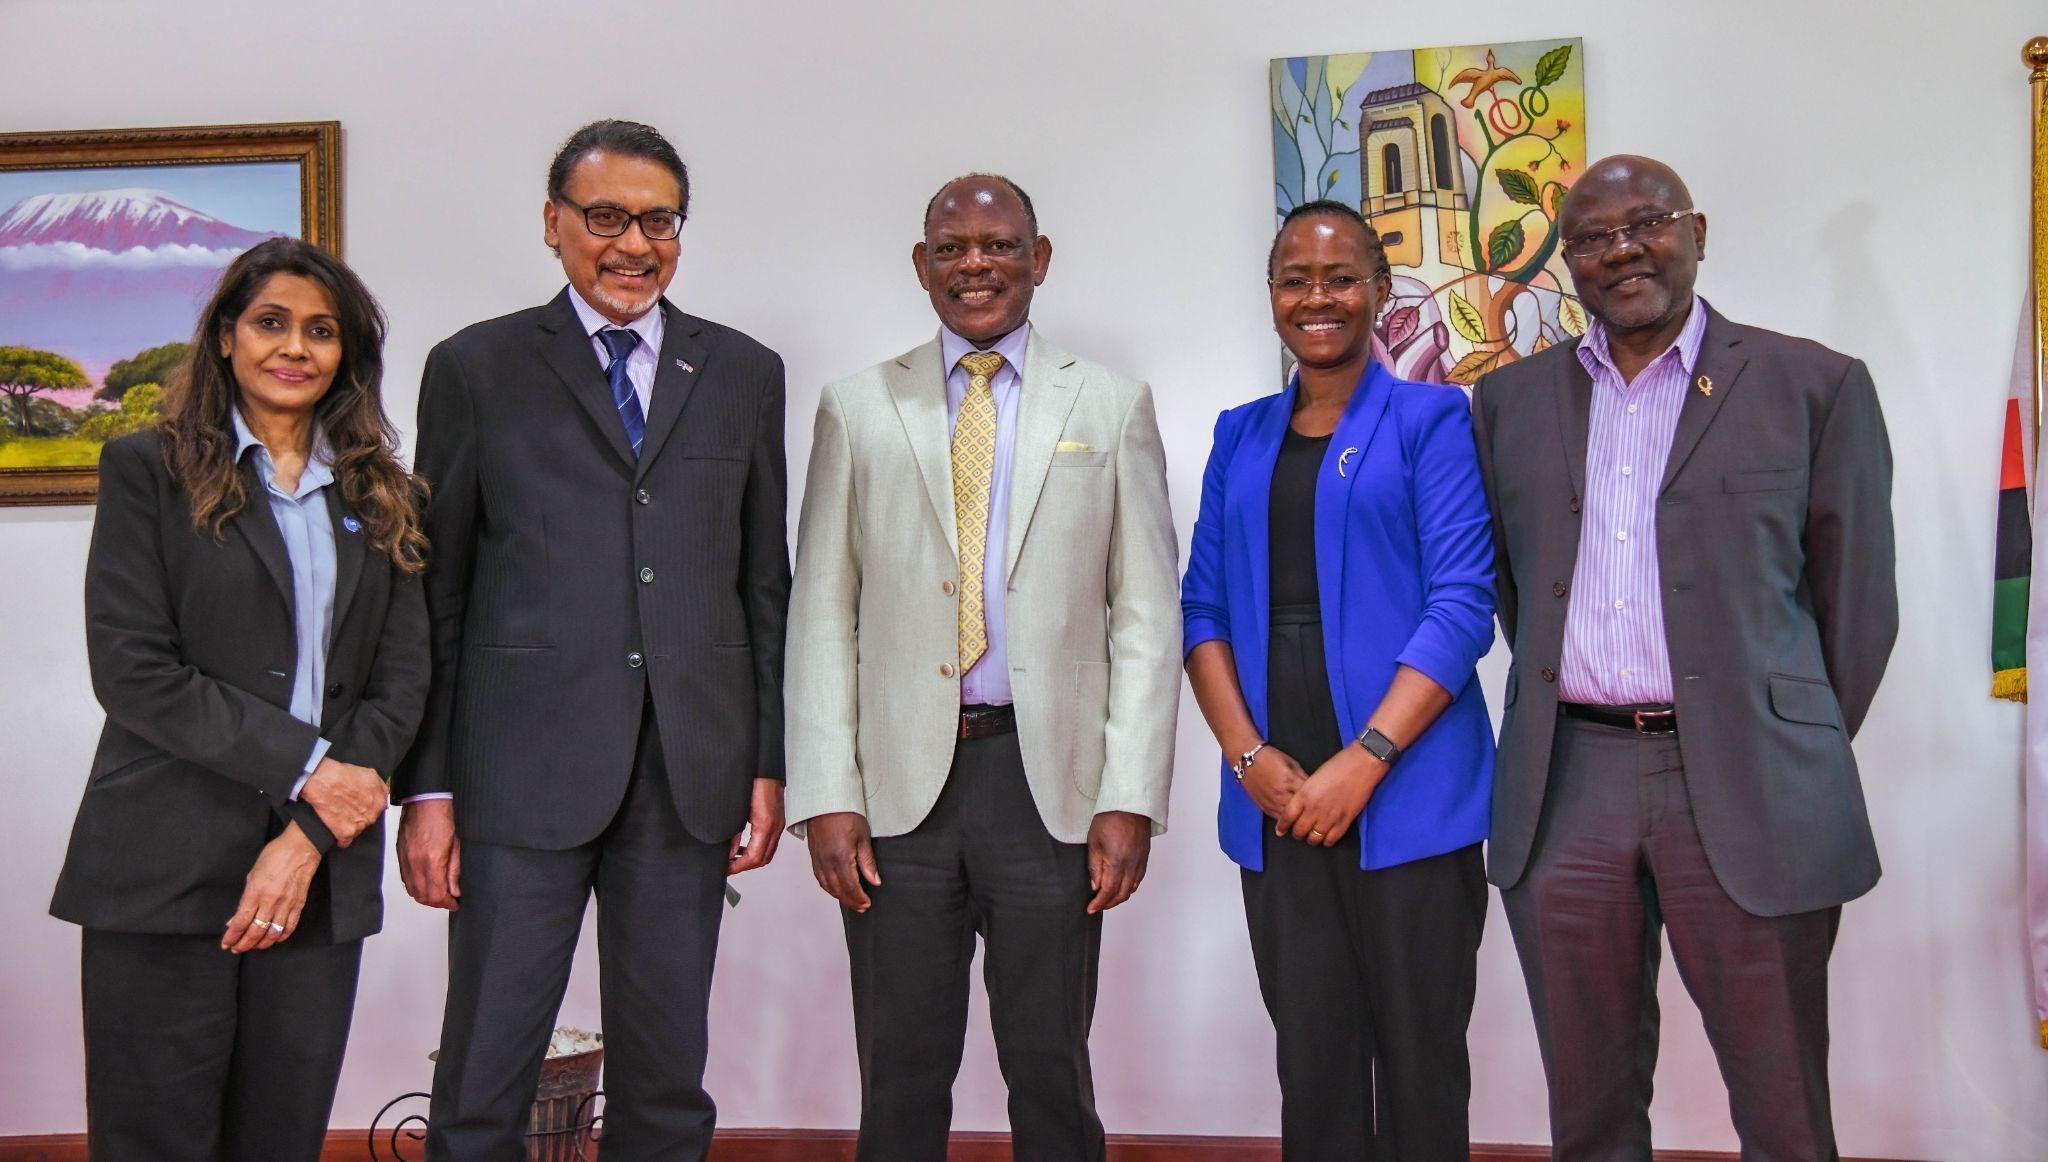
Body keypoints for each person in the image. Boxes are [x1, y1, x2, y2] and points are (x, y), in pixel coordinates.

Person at [1471, 154, 1898, 1158]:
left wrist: (1776, 728)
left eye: (1646, 221)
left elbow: (1856, 607)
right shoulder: (1507, 404)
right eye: (1590, 236)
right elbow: (1510, 588)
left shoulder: (1812, 384)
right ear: (1565, 263)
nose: (1621, 247)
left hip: (1751, 777)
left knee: (1781, 1102)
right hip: (1567, 779)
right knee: (1588, 1109)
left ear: (1695, 233)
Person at [392, 119, 790, 1161]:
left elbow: (761, 585)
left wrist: (765, 762)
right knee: (483, 1078)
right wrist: (427, 790)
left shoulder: (744, 372)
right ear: (554, 225)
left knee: (665, 1087)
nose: (633, 243)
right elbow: (439, 590)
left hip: (687, 771)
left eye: (658, 219)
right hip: (515, 778)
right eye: (605, 216)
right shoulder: (475, 368)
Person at [783, 173, 1180, 1162]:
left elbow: (1143, 613)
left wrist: (1128, 791)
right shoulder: (856, 405)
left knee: (1050, 1063)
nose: (975, 265)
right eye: (951, 247)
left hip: (1047, 788)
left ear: (1037, 259)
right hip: (895, 796)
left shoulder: (1111, 402)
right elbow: (821, 610)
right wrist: (826, 789)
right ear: (921, 266)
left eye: (998, 245)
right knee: (902, 1068)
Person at [49, 236, 430, 1162]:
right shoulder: (148, 469)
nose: (294, 347)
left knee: (281, 1138)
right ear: (225, 337)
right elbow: (134, 668)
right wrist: (312, 770)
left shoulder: (385, 494)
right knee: (156, 1142)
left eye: (322, 330)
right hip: (162, 863)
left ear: (348, 354)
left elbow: (403, 681)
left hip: (320, 873)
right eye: (270, 323)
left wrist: (308, 834)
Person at [1180, 201, 1495, 1160]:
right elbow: (1203, 614)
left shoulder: (1433, 418)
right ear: (1272, 293)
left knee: (1420, 1062)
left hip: (1409, 794)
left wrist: (1365, 759)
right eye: (1294, 278)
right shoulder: (1239, 435)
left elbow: (1461, 606)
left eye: (1340, 277)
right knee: (1311, 1065)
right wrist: (1248, 759)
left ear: (1379, 290)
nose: (1317, 298)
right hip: (1275, 803)